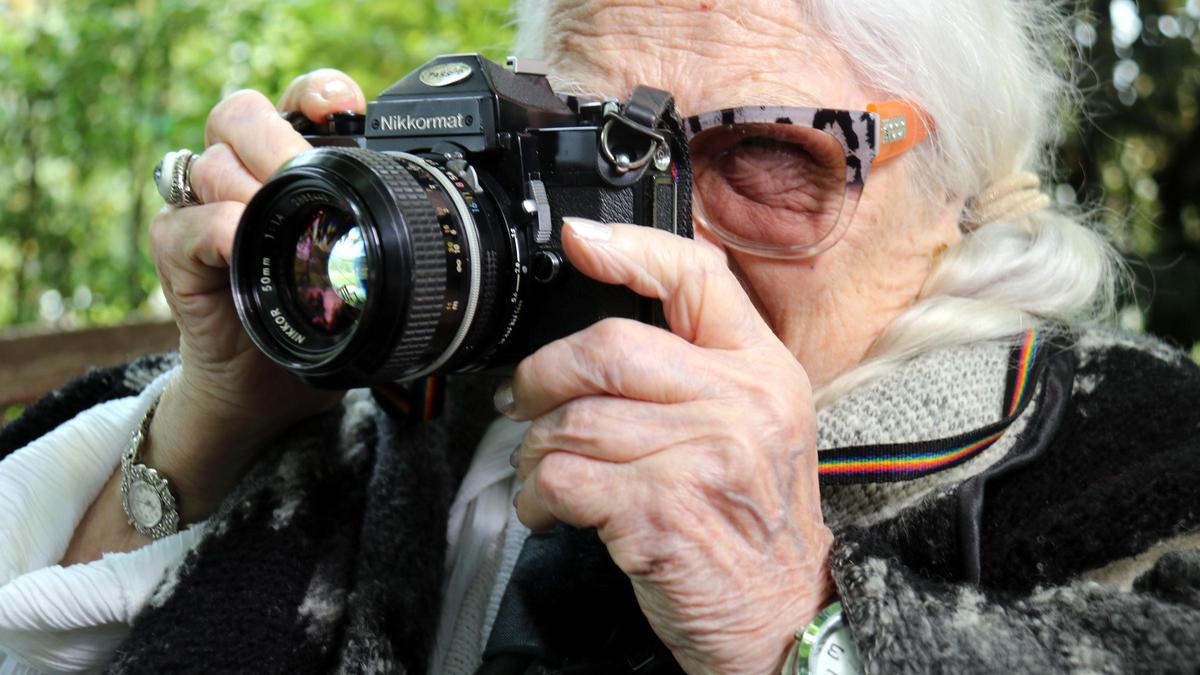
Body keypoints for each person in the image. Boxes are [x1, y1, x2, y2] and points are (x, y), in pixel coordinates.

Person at [2, 0, 1199, 673]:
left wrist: (795, 618)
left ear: (957, 199)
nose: (654, 233)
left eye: (767, 155)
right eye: (592, 151)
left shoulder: (1135, 447)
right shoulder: (419, 385)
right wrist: (220, 416)